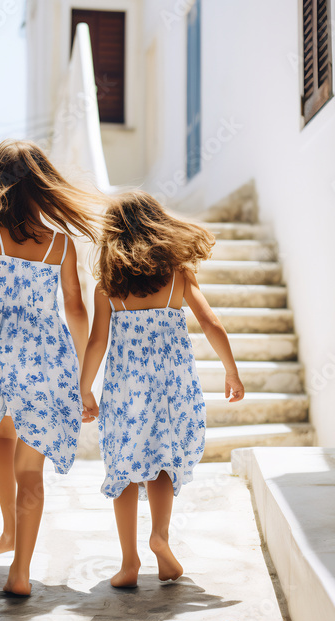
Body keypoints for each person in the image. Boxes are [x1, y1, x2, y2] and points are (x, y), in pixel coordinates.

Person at [0, 139, 102, 595]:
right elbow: (75, 309)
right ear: (41, 186)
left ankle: (10, 528)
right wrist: (81, 376)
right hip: (46, 360)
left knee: (2, 432)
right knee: (31, 466)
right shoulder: (60, 245)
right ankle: (21, 569)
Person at [80, 191, 245, 588]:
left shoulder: (108, 286)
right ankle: (160, 536)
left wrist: (85, 389)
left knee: (123, 465)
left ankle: (129, 563)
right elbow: (211, 323)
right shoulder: (178, 274)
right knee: (163, 457)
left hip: (125, 388)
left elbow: (97, 342)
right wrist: (231, 371)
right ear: (157, 226)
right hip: (172, 385)